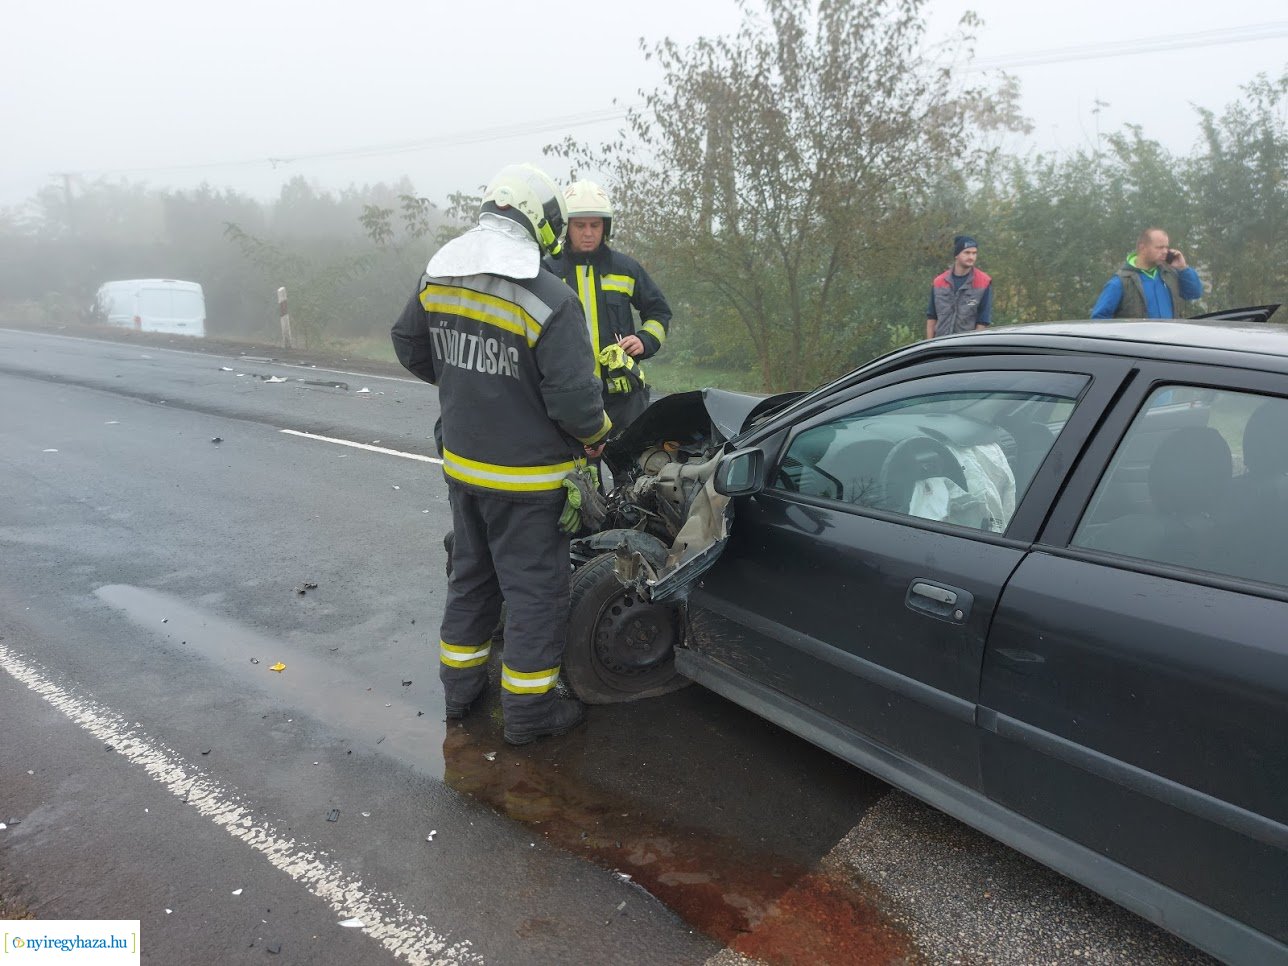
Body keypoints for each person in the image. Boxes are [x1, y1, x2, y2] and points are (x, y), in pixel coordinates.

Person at [391, 163, 612, 746]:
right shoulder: (551, 298)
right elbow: (576, 403)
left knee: (471, 579)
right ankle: (529, 714)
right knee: (536, 594)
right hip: (529, 484)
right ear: (543, 223)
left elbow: (409, 344)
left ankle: (459, 694)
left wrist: (464, 387)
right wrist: (597, 434)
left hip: (464, 470)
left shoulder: (440, 274)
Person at [544, 181, 672, 431]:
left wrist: (645, 340)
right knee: (574, 458)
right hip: (569, 399)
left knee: (632, 456)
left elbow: (659, 311)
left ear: (606, 227)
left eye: (595, 225)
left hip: (624, 399)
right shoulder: (548, 271)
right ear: (566, 227)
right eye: (580, 226)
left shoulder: (626, 269)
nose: (588, 233)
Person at [1090, 228, 1202, 319]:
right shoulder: (1120, 282)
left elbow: (1194, 294)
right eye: (1159, 247)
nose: (1165, 251)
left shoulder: (1170, 274)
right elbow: (1099, 319)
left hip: (1170, 339)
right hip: (1139, 341)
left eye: (1166, 247)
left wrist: (1183, 268)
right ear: (1142, 248)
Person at [926, 235, 992, 339]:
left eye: (974, 253)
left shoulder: (983, 282)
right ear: (956, 255)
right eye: (967, 253)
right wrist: (929, 344)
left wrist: (975, 345)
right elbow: (931, 317)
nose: (971, 257)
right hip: (940, 343)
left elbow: (982, 321)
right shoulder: (939, 282)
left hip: (966, 344)